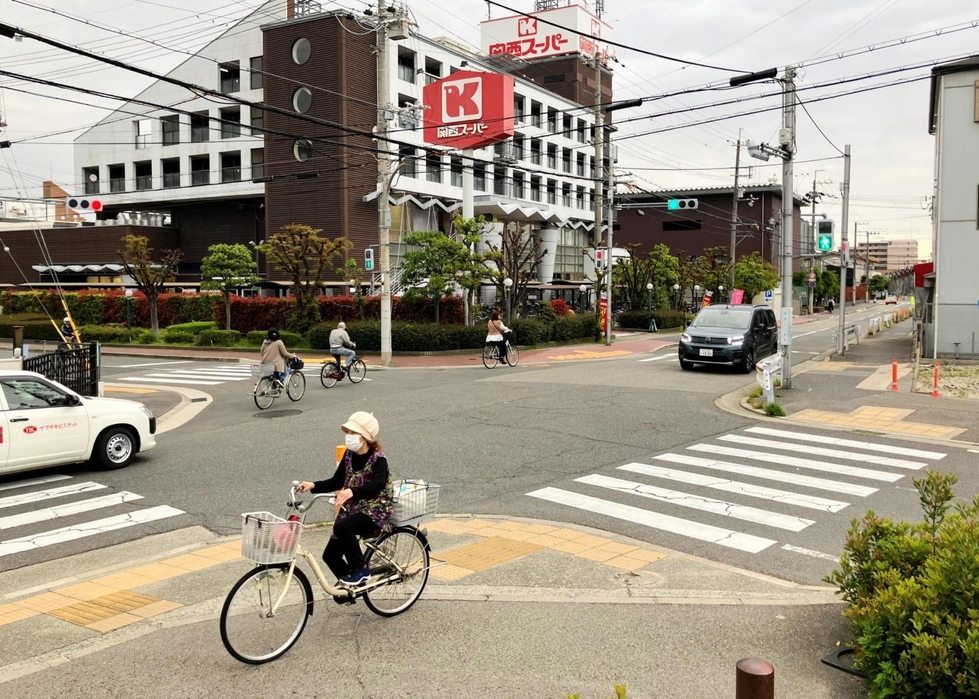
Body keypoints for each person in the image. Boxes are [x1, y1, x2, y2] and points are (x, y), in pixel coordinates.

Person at [298, 411, 392, 599]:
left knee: (342, 526)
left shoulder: (378, 459)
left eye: (352, 432)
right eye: (348, 432)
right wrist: (313, 486)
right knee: (330, 556)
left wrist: (352, 491)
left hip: (376, 511)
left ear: (365, 437)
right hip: (354, 509)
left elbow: (376, 485)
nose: (348, 436)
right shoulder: (349, 455)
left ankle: (361, 570)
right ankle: (352, 590)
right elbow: (337, 480)